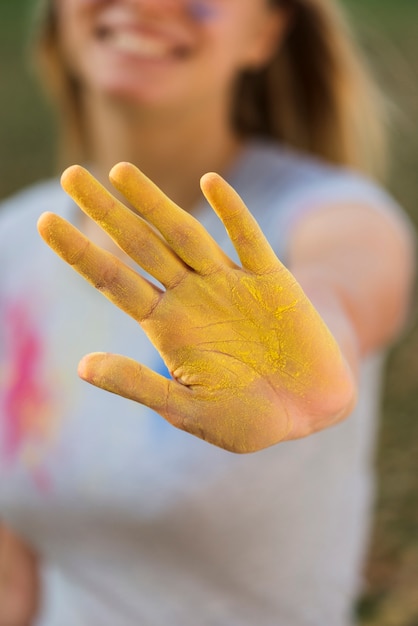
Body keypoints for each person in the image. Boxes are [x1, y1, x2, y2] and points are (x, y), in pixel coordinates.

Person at [0, 0, 415, 624]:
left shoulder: (336, 215)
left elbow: (346, 288)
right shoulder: (16, 240)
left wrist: (311, 349)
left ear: (267, 32)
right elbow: (15, 576)